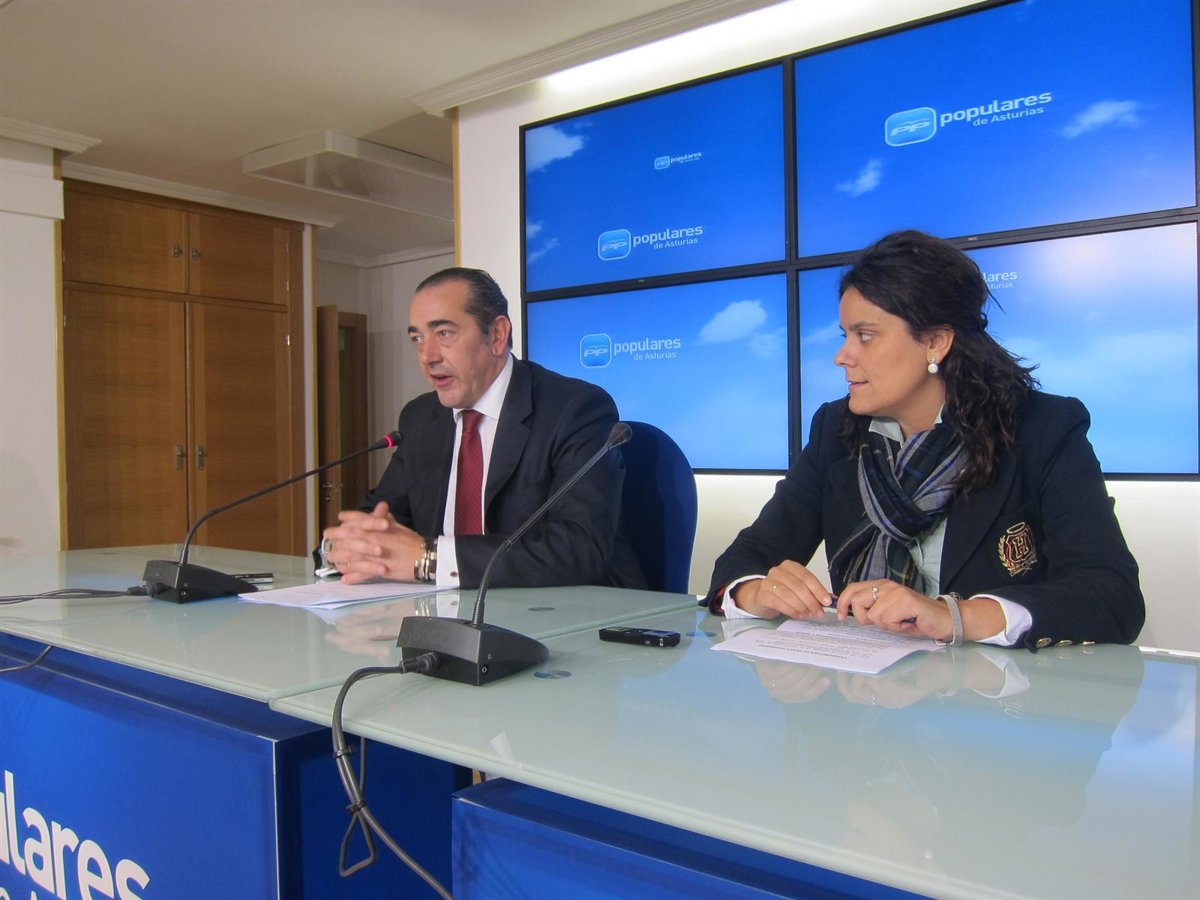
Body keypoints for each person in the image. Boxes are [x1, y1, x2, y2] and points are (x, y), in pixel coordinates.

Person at [706, 230, 1144, 650]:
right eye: (845, 335)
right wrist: (757, 591)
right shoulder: (835, 429)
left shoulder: (1041, 428)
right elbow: (743, 560)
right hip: (860, 688)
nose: (842, 356)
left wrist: (955, 617)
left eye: (865, 336)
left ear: (935, 342)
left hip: (996, 694)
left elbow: (1111, 595)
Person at [321, 267, 645, 590]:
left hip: (565, 611)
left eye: (444, 333)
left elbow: (579, 548)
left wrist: (430, 559)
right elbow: (378, 517)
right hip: (446, 609)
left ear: (497, 335)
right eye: (417, 338)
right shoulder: (420, 419)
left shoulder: (574, 409)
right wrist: (340, 547)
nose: (427, 356)